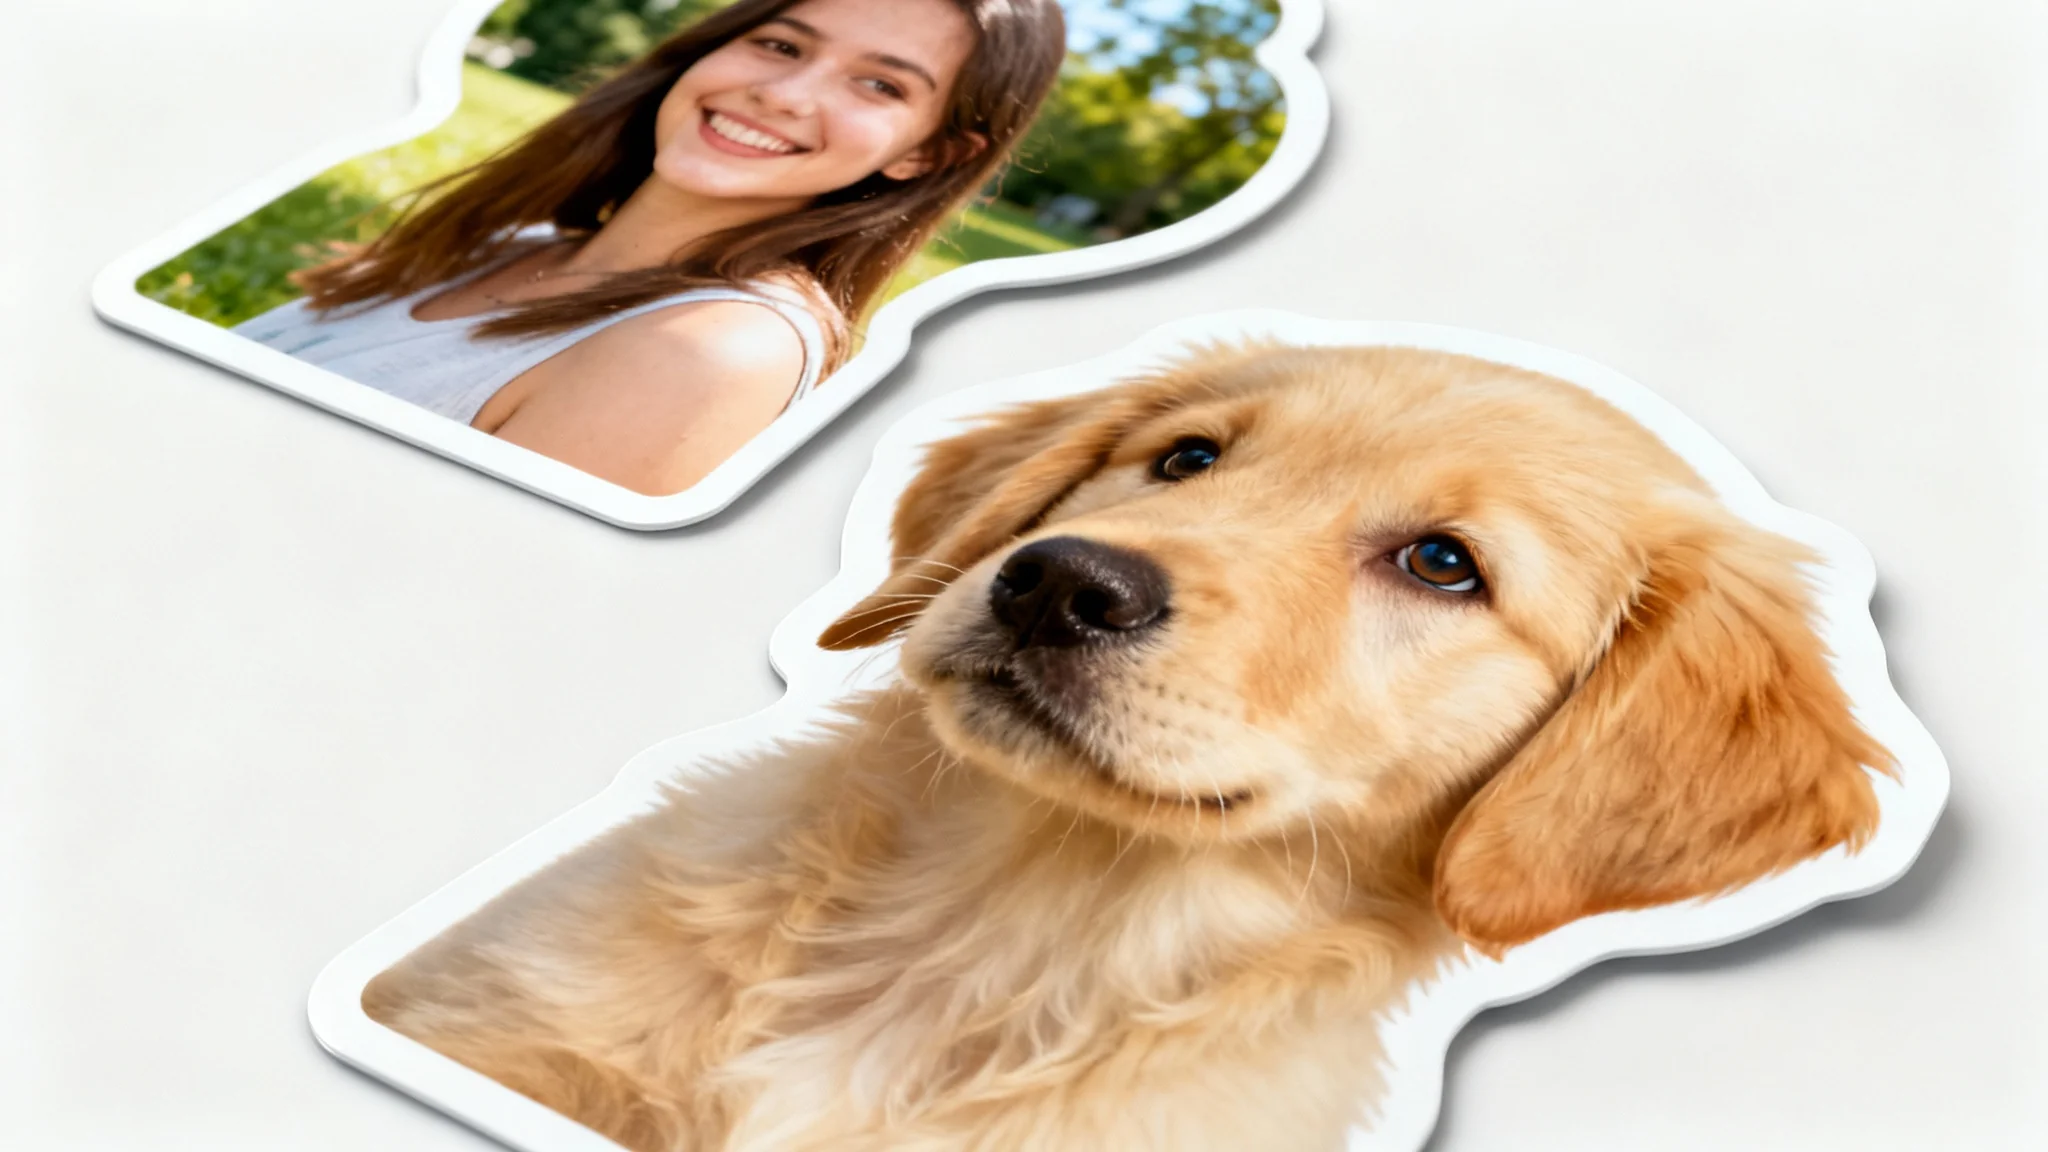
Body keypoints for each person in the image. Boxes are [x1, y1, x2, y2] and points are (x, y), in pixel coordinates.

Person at [235, 0, 1066, 495]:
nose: (780, 93)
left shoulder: (714, 353)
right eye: (782, 44)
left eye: (879, 85)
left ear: (927, 153)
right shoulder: (513, 239)